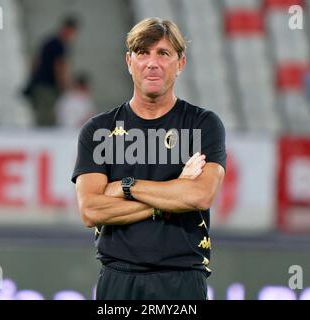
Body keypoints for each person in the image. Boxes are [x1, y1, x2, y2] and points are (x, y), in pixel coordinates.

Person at [72, 18, 226, 300]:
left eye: (163, 53)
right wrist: (174, 191)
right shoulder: (98, 130)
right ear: (129, 61)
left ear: (180, 63)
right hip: (118, 280)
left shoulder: (203, 124)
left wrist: (125, 187)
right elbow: (91, 211)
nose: (152, 63)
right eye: (143, 53)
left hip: (182, 280)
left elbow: (200, 196)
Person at [24, 16, 79, 127]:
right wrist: (63, 85)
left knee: (43, 116)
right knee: (47, 118)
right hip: (48, 86)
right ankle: (44, 142)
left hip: (40, 84)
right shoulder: (59, 45)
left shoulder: (49, 41)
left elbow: (35, 62)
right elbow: (59, 66)